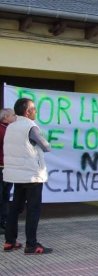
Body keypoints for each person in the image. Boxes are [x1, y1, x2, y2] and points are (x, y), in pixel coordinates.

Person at [3, 98, 52, 254]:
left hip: (16, 175)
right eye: (34, 109)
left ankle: (9, 241)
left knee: (14, 208)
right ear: (27, 111)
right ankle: (31, 244)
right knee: (33, 210)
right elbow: (45, 146)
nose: (36, 112)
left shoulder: (11, 127)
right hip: (32, 175)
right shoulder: (31, 127)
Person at [0, 108, 16, 235]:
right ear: (5, 117)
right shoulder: (2, 130)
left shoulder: (9, 129)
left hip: (7, 168)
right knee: (2, 196)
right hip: (2, 168)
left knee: (5, 196)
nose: (15, 117)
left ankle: (3, 222)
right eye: (12, 115)